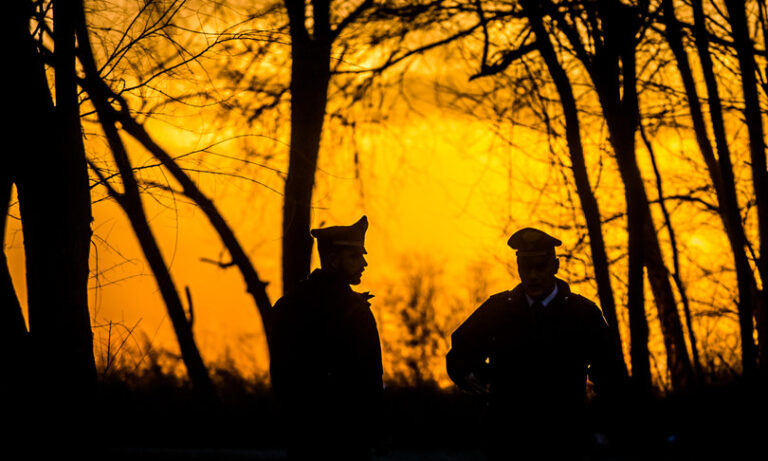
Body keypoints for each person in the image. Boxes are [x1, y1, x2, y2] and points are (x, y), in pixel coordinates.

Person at [446, 227, 627, 460]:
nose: (532, 275)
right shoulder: (497, 310)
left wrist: (605, 425)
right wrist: (466, 374)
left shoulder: (583, 315)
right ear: (518, 267)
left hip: (564, 442)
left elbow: (610, 373)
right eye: (525, 267)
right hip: (507, 442)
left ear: (555, 266)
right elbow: (460, 350)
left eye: (540, 266)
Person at [270, 216, 383, 461]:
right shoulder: (355, 311)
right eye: (353, 257)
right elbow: (370, 379)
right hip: (348, 435)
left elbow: (280, 376)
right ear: (333, 260)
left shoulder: (286, 306)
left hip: (301, 433)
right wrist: (378, 429)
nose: (363, 263)